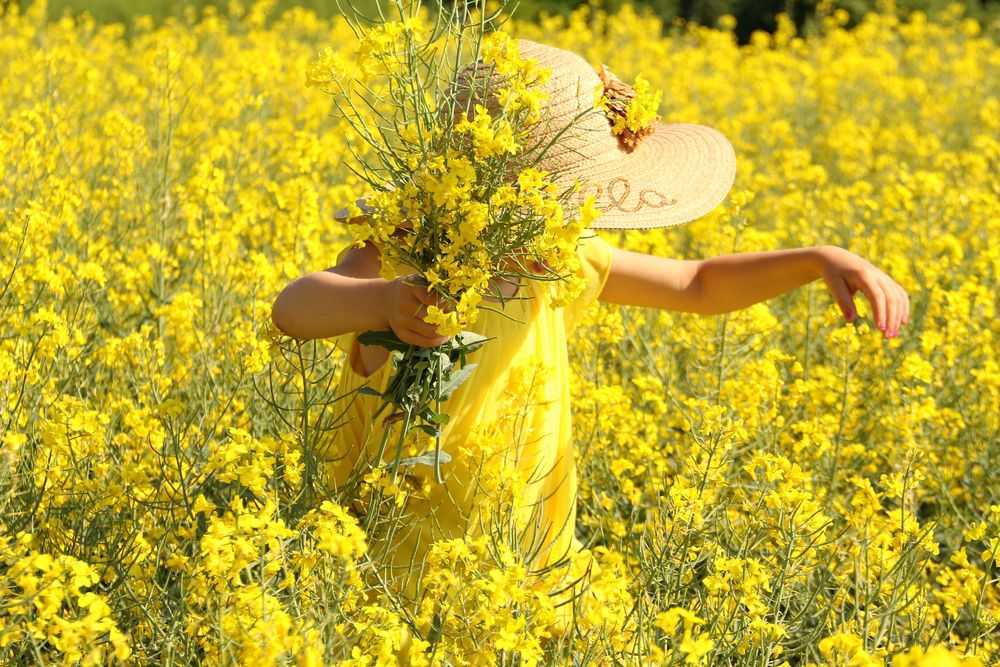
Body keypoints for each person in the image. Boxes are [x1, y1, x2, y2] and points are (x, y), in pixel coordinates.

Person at [270, 39, 909, 650]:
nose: (581, 217)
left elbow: (695, 283)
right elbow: (295, 308)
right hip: (401, 584)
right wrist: (382, 302)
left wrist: (816, 259)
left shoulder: (556, 257)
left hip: (534, 566)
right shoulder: (398, 254)